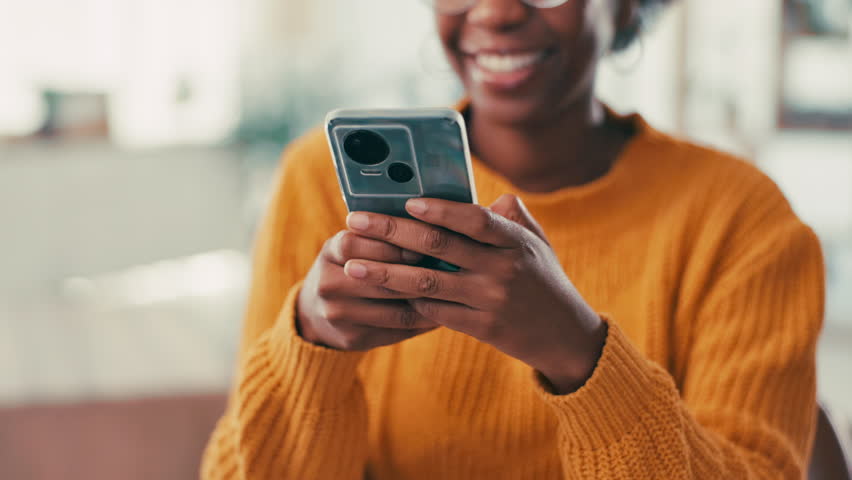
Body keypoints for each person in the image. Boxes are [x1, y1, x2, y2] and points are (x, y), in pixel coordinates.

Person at [202, 0, 825, 478]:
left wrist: (579, 352)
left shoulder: (741, 220)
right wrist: (311, 339)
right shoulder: (320, 183)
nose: (496, 12)